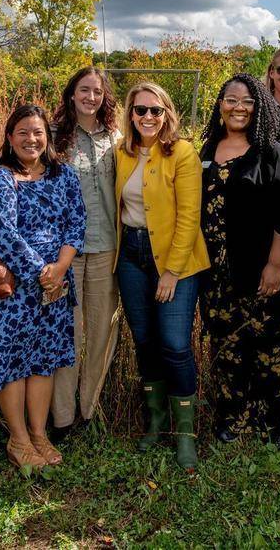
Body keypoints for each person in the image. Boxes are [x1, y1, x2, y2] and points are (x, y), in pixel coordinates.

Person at [199, 75, 280, 444]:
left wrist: (276, 264)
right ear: (220, 105)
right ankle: (234, 419)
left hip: (268, 274)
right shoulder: (205, 151)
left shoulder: (271, 152)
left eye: (246, 101)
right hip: (217, 275)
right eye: (231, 100)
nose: (238, 108)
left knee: (273, 349)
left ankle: (275, 423)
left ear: (258, 106)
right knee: (228, 348)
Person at [0, 104, 86, 474]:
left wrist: (59, 269)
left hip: (55, 284)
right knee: (12, 361)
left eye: (38, 132)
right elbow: (2, 233)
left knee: (43, 360)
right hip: (13, 287)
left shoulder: (64, 176)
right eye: (23, 132)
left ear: (47, 137)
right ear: (9, 138)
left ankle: (40, 435)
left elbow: (76, 223)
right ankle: (18, 438)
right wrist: (40, 271)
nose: (31, 139)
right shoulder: (0, 178)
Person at [114, 81, 210, 471]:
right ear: (130, 114)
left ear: (168, 113)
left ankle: (185, 432)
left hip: (177, 260)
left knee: (174, 343)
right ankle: (155, 421)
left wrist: (171, 271)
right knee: (145, 340)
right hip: (131, 256)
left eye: (156, 110)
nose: (148, 117)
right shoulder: (121, 152)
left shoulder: (182, 152)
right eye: (140, 110)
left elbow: (190, 216)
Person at [49, 67, 122, 441]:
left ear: (104, 96)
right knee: (66, 334)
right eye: (84, 90)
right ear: (72, 94)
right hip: (66, 253)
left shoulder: (116, 138)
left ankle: (88, 410)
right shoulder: (53, 137)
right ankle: (60, 418)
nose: (90, 97)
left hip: (107, 247)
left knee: (100, 334)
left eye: (97, 91)